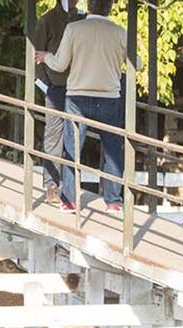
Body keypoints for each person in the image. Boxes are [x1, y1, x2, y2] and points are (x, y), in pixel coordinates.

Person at [36, 0, 129, 212]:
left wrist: (46, 57)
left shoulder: (74, 28)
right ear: (110, 8)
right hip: (109, 96)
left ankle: (69, 200)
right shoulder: (119, 32)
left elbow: (60, 64)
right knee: (113, 148)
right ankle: (114, 200)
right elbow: (137, 63)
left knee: (72, 147)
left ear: (88, 6)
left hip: (77, 95)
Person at [34, 0, 82, 206]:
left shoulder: (82, 18)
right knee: (54, 135)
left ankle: (70, 188)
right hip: (57, 87)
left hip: (78, 86)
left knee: (76, 136)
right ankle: (52, 185)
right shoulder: (47, 21)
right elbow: (36, 57)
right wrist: (47, 86)